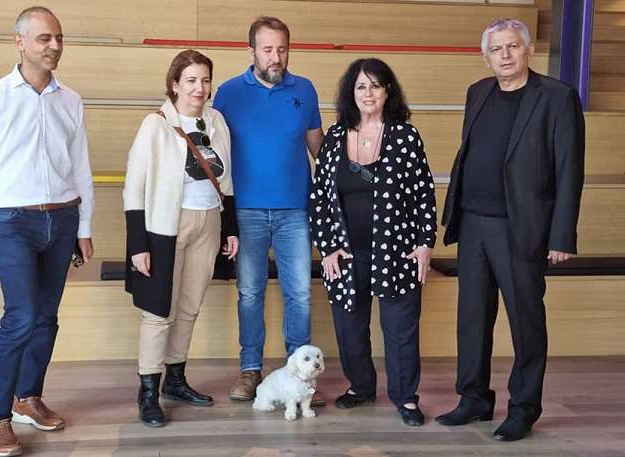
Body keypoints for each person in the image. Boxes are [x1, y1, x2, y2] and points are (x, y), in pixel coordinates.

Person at [436, 18, 585, 441]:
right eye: (496, 49)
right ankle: (473, 398)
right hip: (473, 223)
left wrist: (561, 235)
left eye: (513, 46)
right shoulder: (478, 92)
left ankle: (523, 408)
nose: (504, 55)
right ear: (486, 56)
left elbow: (569, 170)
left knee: (526, 321)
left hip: (522, 228)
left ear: (529, 50)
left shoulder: (557, 97)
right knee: (472, 318)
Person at [0, 7, 94, 457]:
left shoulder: (71, 100)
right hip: (12, 221)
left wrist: (84, 226)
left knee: (46, 317)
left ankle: (27, 397)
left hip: (62, 219)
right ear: (19, 42)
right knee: (20, 317)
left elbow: (81, 169)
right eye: (44, 38)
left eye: (58, 37)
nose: (54, 45)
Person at [310, 58, 437, 426]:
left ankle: (405, 398)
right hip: (345, 252)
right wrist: (326, 246)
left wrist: (425, 242)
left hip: (398, 251)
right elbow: (320, 197)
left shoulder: (405, 136)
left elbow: (424, 193)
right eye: (361, 86)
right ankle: (361, 387)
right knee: (349, 328)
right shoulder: (335, 137)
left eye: (375, 85)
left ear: (387, 91)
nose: (368, 93)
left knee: (400, 329)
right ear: (351, 93)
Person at [212, 16, 325, 403]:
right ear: (251, 52)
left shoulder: (304, 90)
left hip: (296, 211)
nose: (276, 57)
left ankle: (302, 376)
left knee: (300, 295)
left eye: (282, 49)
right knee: (249, 294)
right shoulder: (228, 93)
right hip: (247, 212)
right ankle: (250, 370)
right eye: (267, 49)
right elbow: (216, 153)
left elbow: (320, 150)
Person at [123, 49, 238, 428]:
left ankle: (175, 380)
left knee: (189, 307)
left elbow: (227, 181)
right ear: (174, 84)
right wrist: (138, 245)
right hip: (166, 228)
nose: (199, 88)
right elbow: (134, 188)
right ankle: (148, 392)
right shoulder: (155, 125)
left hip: (209, 223)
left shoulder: (216, 121)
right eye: (191, 80)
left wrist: (230, 228)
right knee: (159, 310)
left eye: (205, 80)